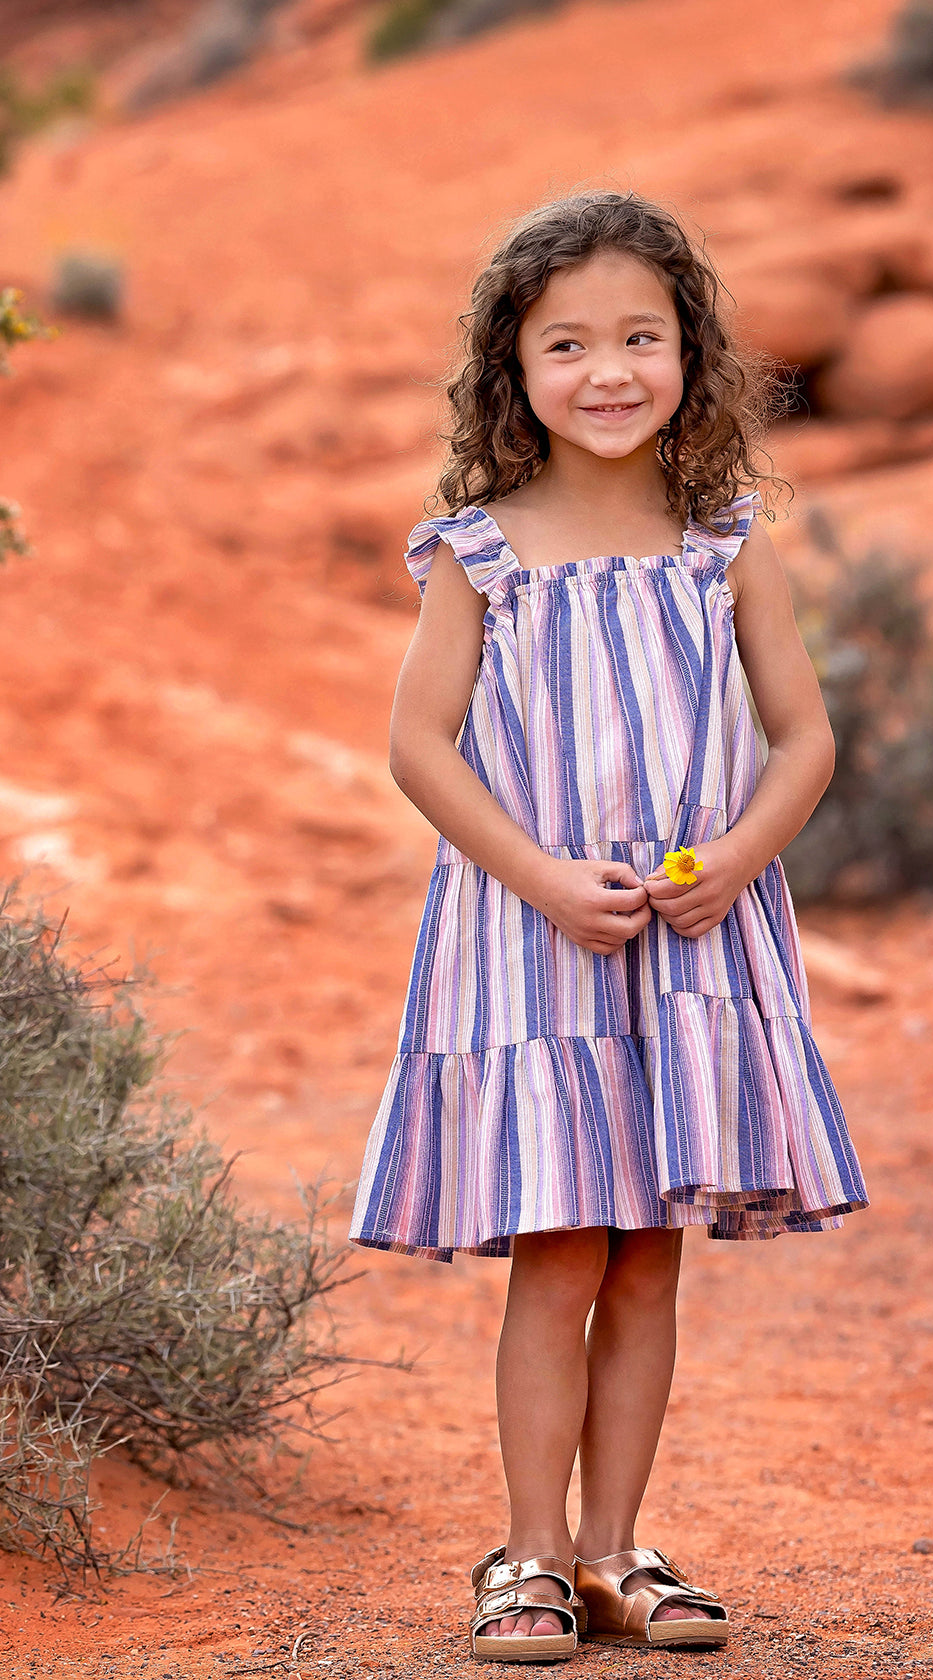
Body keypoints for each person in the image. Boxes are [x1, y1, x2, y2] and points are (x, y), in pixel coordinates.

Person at [349, 188, 868, 1664]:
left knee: (650, 1252)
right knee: (560, 1247)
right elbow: (421, 748)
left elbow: (804, 737)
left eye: (640, 336)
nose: (607, 371)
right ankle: (520, 1556)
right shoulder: (479, 552)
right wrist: (542, 876)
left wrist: (735, 861)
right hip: (534, 940)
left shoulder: (725, 542)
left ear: (688, 356)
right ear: (512, 372)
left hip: (692, 940)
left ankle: (610, 1553)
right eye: (565, 343)